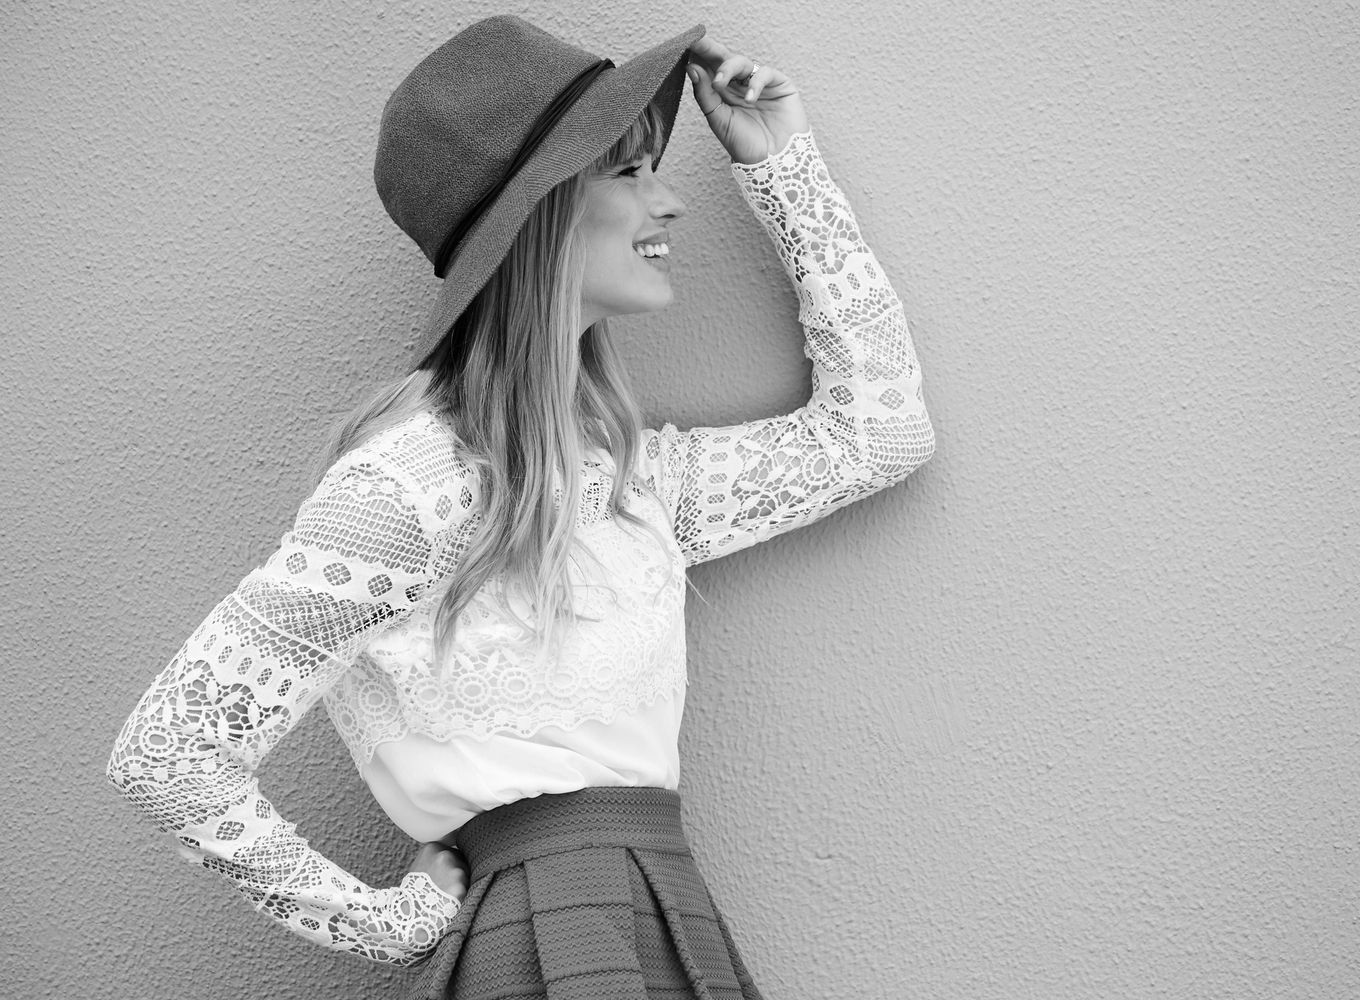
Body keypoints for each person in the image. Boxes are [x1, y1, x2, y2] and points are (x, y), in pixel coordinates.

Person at [107, 15, 933, 998]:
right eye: (628, 172)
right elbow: (171, 751)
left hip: (663, 913)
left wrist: (783, 166)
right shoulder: (410, 485)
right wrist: (387, 922)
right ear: (540, 216)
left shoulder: (627, 479)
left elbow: (877, 436)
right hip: (533, 941)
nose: (668, 199)